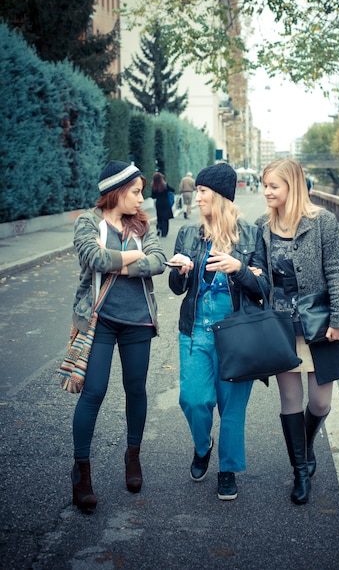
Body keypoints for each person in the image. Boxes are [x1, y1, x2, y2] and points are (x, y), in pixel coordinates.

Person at [167, 163, 269, 501]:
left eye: (202, 192)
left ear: (220, 196)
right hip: (195, 330)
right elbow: (176, 287)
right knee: (194, 399)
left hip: (238, 335)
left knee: (232, 408)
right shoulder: (187, 234)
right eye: (196, 191)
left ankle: (227, 470)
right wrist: (180, 272)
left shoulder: (251, 235)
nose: (196, 198)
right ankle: (202, 444)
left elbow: (263, 287)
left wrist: (240, 269)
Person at [255, 158, 339, 505]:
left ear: (292, 186)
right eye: (264, 185)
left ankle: (306, 443)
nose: (266, 191)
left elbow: (337, 273)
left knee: (321, 401)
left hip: (320, 324)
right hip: (280, 326)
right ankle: (300, 470)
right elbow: (259, 276)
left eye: (273, 186)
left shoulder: (323, 222)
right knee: (290, 402)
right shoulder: (262, 226)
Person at [70, 160, 166, 513]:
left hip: (138, 320)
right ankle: (81, 474)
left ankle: (133, 457)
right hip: (100, 319)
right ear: (116, 191)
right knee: (93, 390)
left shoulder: (141, 224)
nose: (142, 199)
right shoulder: (88, 222)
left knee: (136, 388)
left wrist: (122, 262)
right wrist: (133, 256)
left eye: (142, 192)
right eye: (136, 192)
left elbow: (158, 260)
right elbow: (94, 258)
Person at [151, 171, 175, 237]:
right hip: (166, 203)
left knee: (160, 217)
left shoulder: (153, 186)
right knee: (165, 218)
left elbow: (153, 196)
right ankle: (164, 233)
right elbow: (173, 190)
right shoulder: (165, 185)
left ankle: (159, 228)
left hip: (159, 204)